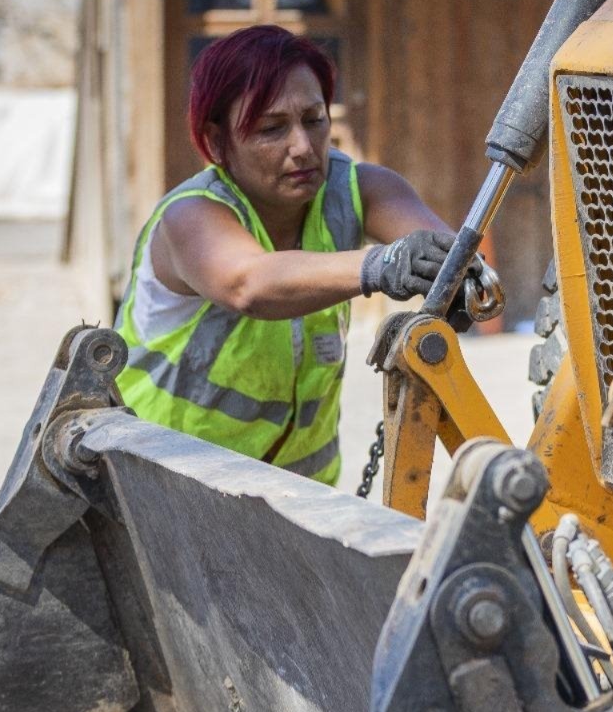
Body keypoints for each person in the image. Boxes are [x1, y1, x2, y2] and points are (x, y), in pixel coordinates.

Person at [114, 24, 457, 485]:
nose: (302, 147)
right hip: (164, 491)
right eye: (272, 129)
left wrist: (460, 275)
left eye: (314, 120)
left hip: (299, 505)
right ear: (216, 143)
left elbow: (445, 251)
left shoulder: (360, 189)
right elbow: (250, 284)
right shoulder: (190, 218)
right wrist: (382, 265)